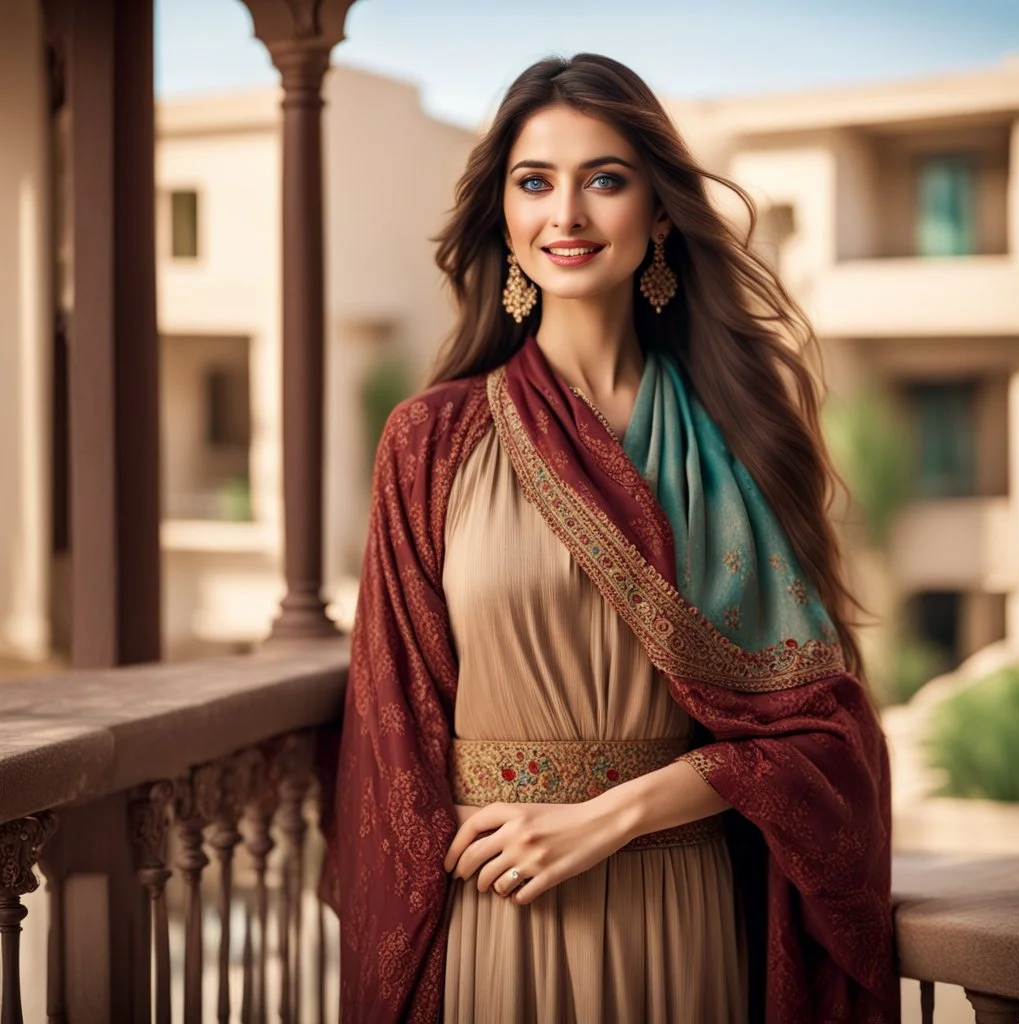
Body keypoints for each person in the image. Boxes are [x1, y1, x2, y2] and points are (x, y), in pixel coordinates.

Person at [320, 52, 897, 1024]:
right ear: (502, 213)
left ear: (659, 211)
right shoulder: (433, 441)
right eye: (534, 181)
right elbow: (392, 729)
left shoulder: (741, 439)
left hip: (681, 911)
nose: (567, 215)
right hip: (502, 912)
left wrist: (611, 815)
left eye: (606, 179)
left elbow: (824, 735)